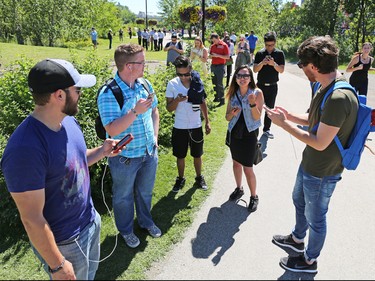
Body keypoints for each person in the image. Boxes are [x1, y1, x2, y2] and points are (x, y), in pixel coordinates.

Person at [0, 59, 120, 280]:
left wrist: (102, 151)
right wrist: (57, 265)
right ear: (59, 95)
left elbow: (73, 163)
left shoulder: (67, 122)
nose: (81, 94)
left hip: (90, 223)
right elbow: (32, 219)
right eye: (78, 89)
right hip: (66, 244)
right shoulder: (24, 150)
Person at [264, 36, 358, 274]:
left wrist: (283, 125)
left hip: (323, 171)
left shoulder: (338, 97)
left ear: (314, 67)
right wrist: (289, 116)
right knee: (299, 201)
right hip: (310, 164)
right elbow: (315, 121)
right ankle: (296, 239)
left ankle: (309, 260)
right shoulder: (325, 86)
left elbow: (319, 141)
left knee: (316, 219)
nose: (302, 69)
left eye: (304, 65)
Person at [97, 43, 161, 249]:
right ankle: (126, 231)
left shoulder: (144, 84)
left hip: (148, 153)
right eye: (141, 62)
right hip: (124, 158)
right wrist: (134, 111)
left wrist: (155, 138)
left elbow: (154, 112)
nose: (145, 65)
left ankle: (145, 221)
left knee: (145, 192)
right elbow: (112, 129)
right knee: (123, 197)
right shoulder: (109, 92)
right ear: (129, 66)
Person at [165, 55, 211, 192]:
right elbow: (168, 108)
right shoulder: (172, 84)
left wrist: (207, 121)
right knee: (180, 155)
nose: (183, 77)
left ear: (190, 69)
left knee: (197, 154)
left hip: (196, 125)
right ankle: (180, 179)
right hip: (179, 126)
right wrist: (177, 101)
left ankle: (199, 177)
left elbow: (203, 102)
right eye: (180, 74)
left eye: (186, 74)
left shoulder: (197, 82)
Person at [225, 65, 264, 213]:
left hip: (249, 134)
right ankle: (239, 188)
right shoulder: (233, 93)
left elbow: (257, 116)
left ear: (250, 78)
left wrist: (253, 102)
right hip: (235, 132)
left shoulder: (257, 93)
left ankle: (254, 196)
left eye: (246, 76)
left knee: (248, 168)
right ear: (235, 78)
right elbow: (227, 117)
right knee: (236, 163)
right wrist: (232, 114)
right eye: (239, 75)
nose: (242, 78)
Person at [253, 31, 285, 139]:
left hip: (272, 86)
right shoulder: (260, 53)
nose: (269, 47)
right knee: (257, 108)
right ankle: (254, 130)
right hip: (260, 85)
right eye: (267, 45)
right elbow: (255, 69)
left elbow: (281, 70)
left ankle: (266, 130)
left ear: (275, 43)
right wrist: (262, 63)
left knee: (270, 109)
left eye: (271, 45)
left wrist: (273, 64)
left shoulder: (279, 54)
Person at [209, 33, 230, 106]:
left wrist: (218, 55)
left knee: (219, 83)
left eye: (214, 40)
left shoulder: (224, 45)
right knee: (214, 82)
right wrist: (210, 56)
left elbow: (227, 57)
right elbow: (210, 55)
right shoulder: (212, 46)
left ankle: (222, 99)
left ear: (218, 38)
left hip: (220, 66)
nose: (214, 42)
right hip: (213, 65)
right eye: (212, 41)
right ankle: (216, 97)